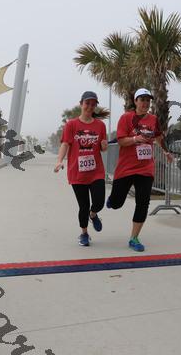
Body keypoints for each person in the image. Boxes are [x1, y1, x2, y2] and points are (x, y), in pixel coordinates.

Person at [106, 88, 174, 252]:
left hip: (145, 168)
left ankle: (134, 238)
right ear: (135, 101)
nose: (145, 103)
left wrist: (166, 151)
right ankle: (112, 200)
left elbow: (159, 137)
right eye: (142, 100)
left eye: (148, 100)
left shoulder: (153, 119)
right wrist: (136, 139)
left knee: (143, 203)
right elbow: (121, 141)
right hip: (126, 168)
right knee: (116, 203)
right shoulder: (126, 118)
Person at [54, 92, 108, 246]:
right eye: (87, 103)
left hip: (96, 171)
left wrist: (104, 146)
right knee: (83, 206)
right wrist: (59, 161)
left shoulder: (100, 125)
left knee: (99, 202)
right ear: (81, 104)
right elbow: (65, 144)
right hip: (77, 173)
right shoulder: (71, 125)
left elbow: (103, 148)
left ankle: (93, 215)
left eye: (93, 104)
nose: (90, 106)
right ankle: (84, 234)